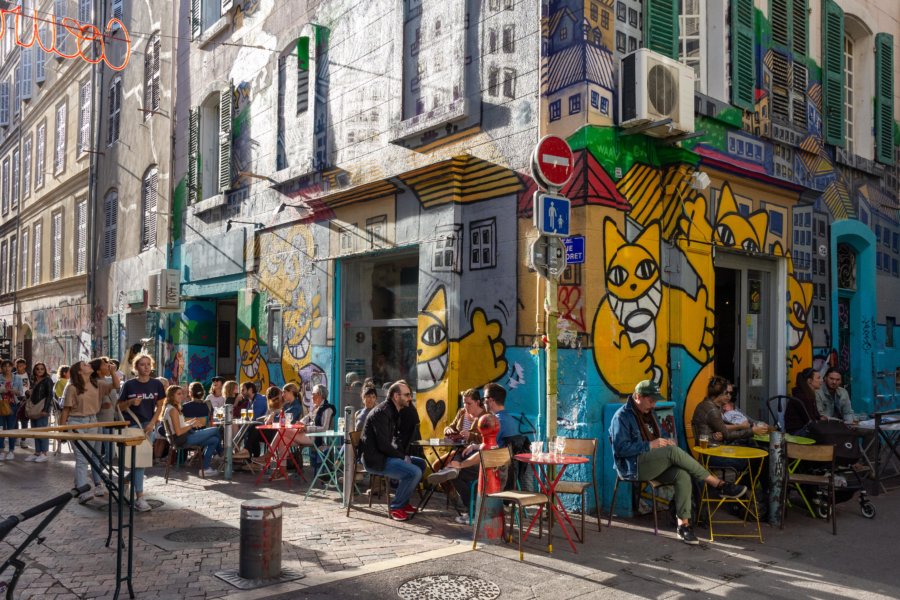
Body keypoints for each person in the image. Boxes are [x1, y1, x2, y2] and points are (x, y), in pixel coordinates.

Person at [610, 380, 748, 545]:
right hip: (633, 466)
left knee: (682, 475)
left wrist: (665, 442)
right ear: (638, 397)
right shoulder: (622, 416)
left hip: (652, 463)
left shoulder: (648, 414)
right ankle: (718, 483)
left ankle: (683, 526)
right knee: (672, 452)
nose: (653, 405)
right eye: (651, 400)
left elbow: (658, 438)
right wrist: (650, 445)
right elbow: (620, 449)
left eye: (655, 401)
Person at [360, 380, 426, 521]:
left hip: (385, 456)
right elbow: (384, 445)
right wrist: (402, 457)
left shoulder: (394, 410)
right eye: (407, 395)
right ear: (396, 396)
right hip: (376, 460)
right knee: (414, 472)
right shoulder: (382, 412)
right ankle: (396, 507)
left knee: (420, 464)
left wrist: (402, 455)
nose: (410, 398)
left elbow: (393, 440)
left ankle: (404, 501)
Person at [60, 360, 120, 503]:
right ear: (79, 371)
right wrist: (62, 431)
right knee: (82, 458)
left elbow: (116, 386)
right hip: (76, 422)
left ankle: (78, 485)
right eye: (85, 365)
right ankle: (82, 492)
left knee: (88, 456)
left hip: (93, 421)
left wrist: (112, 372)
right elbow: (66, 410)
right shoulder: (72, 388)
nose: (89, 365)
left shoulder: (97, 384)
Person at [117, 354, 166, 512]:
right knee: (139, 463)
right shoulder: (129, 385)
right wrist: (131, 402)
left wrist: (153, 422)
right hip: (132, 425)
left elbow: (160, 405)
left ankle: (125, 482)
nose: (146, 367)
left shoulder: (156, 384)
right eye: (142, 364)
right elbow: (119, 407)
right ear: (136, 367)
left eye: (148, 364)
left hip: (148, 426)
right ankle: (140, 498)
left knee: (141, 461)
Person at [161, 385, 222, 477]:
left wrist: (191, 421)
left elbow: (179, 425)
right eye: (178, 394)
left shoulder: (172, 407)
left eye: (182, 393)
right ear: (171, 396)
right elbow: (178, 432)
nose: (181, 396)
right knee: (215, 430)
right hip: (182, 439)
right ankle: (223, 455)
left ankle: (205, 469)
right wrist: (192, 425)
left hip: (183, 437)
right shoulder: (173, 410)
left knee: (214, 440)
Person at [692, 376, 768, 446]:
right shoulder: (712, 410)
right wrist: (752, 431)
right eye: (726, 393)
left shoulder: (705, 404)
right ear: (719, 394)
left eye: (730, 393)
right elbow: (727, 435)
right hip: (712, 451)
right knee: (754, 457)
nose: (729, 396)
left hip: (711, 448)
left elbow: (721, 430)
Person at [24, 362, 54, 463]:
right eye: (38, 369)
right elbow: (32, 395)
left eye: (42, 369)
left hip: (42, 408)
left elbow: (50, 395)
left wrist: (45, 409)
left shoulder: (47, 380)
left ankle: (44, 453)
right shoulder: (34, 380)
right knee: (35, 431)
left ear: (45, 370)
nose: (40, 370)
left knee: (42, 431)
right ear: (34, 370)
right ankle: (37, 452)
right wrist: (27, 393)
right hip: (34, 408)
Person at [300, 384, 334, 470]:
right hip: (309, 435)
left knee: (287, 436)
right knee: (286, 437)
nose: (311, 396)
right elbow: (307, 418)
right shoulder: (315, 407)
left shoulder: (327, 409)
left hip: (316, 438)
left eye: (313, 393)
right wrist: (300, 423)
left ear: (319, 395)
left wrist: (307, 428)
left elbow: (325, 428)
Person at [785, 367, 825, 435]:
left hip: (802, 430)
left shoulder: (808, 394)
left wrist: (821, 418)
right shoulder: (802, 396)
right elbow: (809, 421)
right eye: (818, 378)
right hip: (797, 432)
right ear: (809, 381)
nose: (821, 380)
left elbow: (815, 416)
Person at [0, 359, 25, 460]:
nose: (7, 368)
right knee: (1, 428)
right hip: (1, 404)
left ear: (12, 367)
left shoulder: (17, 378)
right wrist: (3, 389)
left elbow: (21, 392)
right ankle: (1, 451)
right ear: (2, 368)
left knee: (11, 429)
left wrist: (15, 391)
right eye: (5, 366)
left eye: (9, 366)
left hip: (13, 405)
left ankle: (11, 450)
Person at [15, 358, 31, 450]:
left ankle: (23, 440)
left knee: (25, 420)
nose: (19, 367)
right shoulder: (13, 375)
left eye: (21, 365)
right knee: (15, 419)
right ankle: (16, 437)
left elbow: (32, 386)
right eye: (18, 365)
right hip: (15, 399)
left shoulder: (29, 375)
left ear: (25, 366)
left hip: (26, 400)